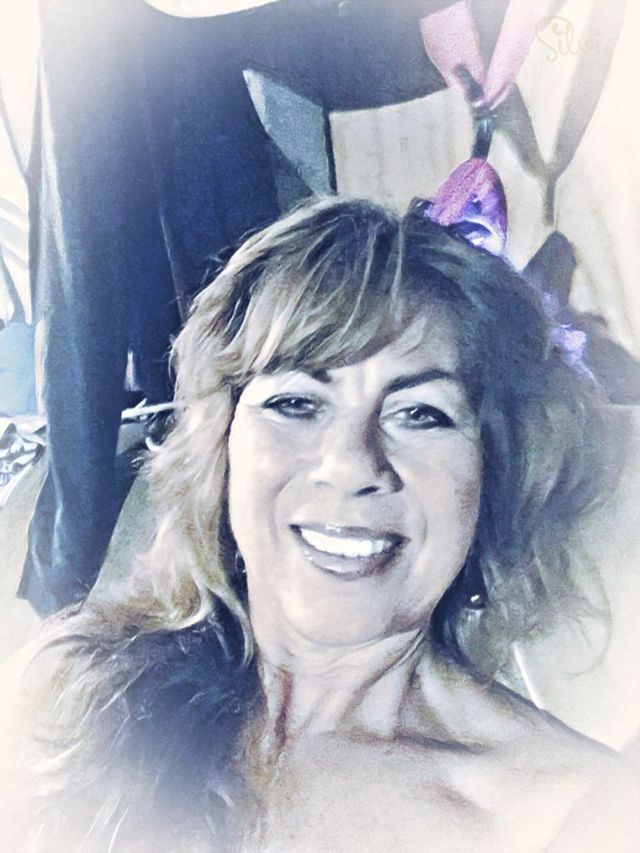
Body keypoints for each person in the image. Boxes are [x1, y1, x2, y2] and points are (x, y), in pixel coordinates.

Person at [3, 196, 637, 853]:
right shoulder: (63, 691)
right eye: (297, 402)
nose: (351, 464)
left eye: (421, 413)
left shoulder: (569, 819)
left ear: (491, 474)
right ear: (222, 449)